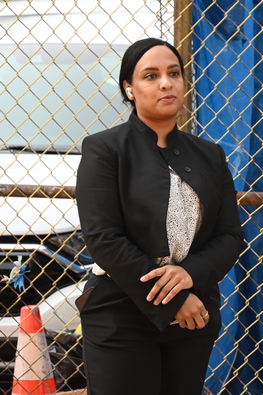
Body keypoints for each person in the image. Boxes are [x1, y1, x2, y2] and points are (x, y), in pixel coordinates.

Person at [75, 38, 244, 395]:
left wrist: (188, 277)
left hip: (193, 310)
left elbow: (230, 235)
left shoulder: (210, 155)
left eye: (174, 73)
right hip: (121, 310)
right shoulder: (105, 149)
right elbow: (104, 238)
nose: (166, 83)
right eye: (151, 76)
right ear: (130, 89)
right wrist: (173, 301)